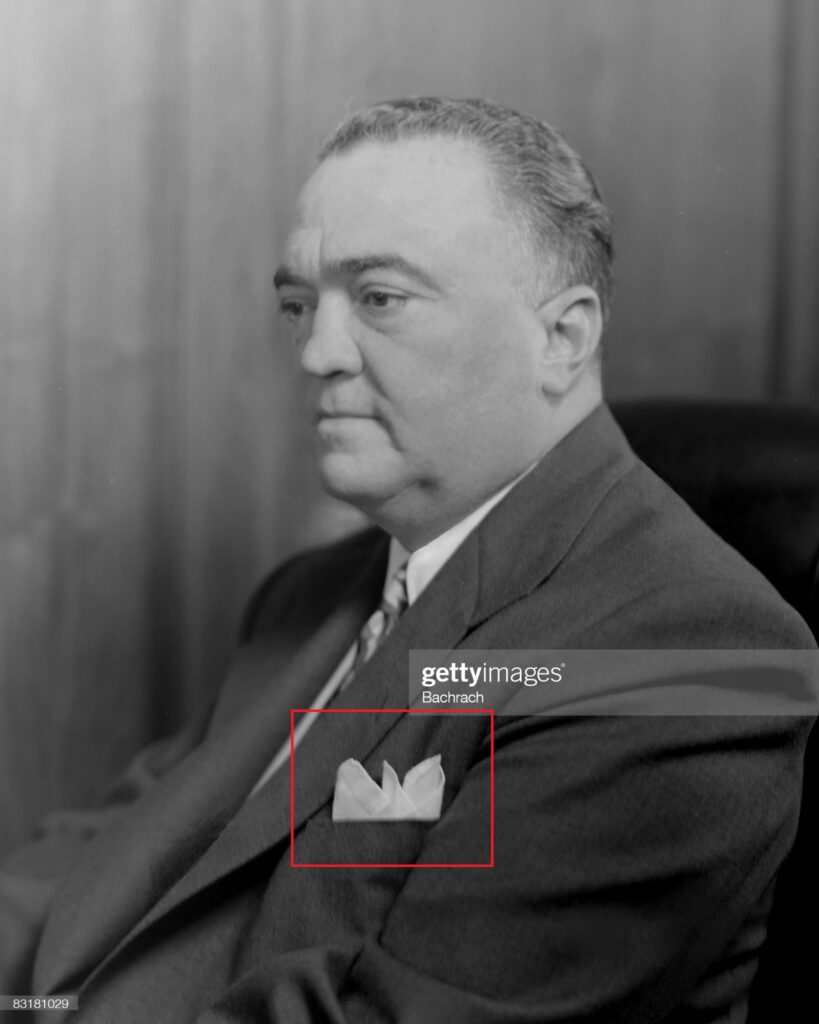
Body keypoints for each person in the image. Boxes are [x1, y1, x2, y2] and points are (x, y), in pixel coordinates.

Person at [1, 96, 815, 1023]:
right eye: (298, 304)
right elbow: (116, 851)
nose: (315, 352)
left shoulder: (692, 653)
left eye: (379, 298)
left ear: (563, 337)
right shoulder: (312, 592)